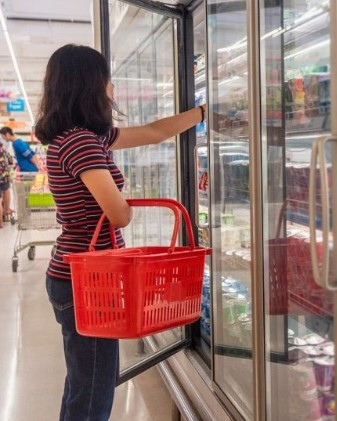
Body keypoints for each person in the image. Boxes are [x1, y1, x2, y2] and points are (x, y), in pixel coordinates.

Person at [35, 44, 206, 421]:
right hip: (85, 282)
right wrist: (130, 205)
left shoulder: (84, 136)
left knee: (86, 381)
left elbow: (153, 132)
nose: (113, 87)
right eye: (107, 79)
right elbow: (117, 214)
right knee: (93, 391)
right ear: (92, 85)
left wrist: (203, 112)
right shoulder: (80, 142)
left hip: (77, 276)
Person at [0, 140, 13, 227]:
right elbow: (11, 162)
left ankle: (0, 223)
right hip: (5, 177)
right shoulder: (4, 151)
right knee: (6, 191)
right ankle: (6, 210)